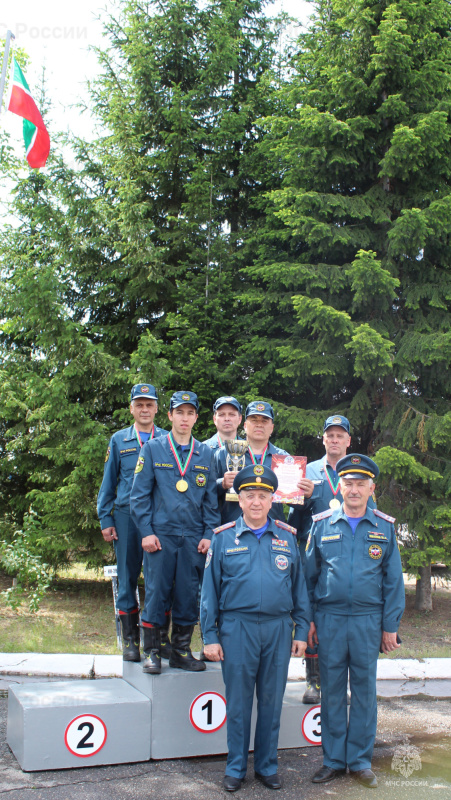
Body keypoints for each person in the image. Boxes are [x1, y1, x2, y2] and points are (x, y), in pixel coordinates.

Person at [200, 465, 311, 792]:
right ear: (241, 498)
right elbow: (209, 593)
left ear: (271, 498)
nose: (257, 501)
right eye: (250, 495)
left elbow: (299, 589)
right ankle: (235, 767)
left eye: (263, 495)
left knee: (271, 702)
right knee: (237, 704)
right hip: (237, 629)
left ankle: (266, 766)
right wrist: (210, 636)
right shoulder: (223, 538)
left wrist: (301, 631)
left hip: (277, 630)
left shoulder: (286, 537)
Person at [304, 454, 405, 789]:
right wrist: (309, 620)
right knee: (331, 691)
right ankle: (333, 760)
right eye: (349, 483)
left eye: (361, 483)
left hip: (366, 621)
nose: (355, 489)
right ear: (340, 486)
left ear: (371, 488)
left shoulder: (384, 527)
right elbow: (308, 578)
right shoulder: (322, 524)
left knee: (364, 692)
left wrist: (390, 625)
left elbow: (393, 582)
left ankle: (360, 761)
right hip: (330, 620)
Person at [130, 391, 220, 675]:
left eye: (189, 413)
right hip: (161, 535)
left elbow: (211, 501)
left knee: (187, 593)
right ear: (169, 415)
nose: (184, 418)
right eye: (178, 412)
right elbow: (139, 496)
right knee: (157, 593)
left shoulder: (206, 453)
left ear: (196, 417)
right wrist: (145, 531)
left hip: (193, 537)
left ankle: (181, 650)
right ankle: (153, 652)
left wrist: (209, 533)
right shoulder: (154, 449)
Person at [288, 414, 376, 702]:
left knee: (337, 618)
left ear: (348, 440)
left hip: (347, 556)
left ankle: (340, 683)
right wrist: (304, 498)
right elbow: (294, 515)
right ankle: (314, 681)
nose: (335, 439)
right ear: (323, 438)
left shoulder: (360, 472)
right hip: (312, 553)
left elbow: (370, 512)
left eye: (340, 435)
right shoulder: (307, 471)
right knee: (311, 611)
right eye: (330, 435)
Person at [97, 383, 168, 662]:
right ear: (131, 408)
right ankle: (130, 641)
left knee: (159, 579)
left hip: (158, 516)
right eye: (139, 404)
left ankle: (156, 637)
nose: (145, 409)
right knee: (127, 578)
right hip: (126, 516)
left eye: (149, 404)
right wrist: (106, 517)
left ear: (157, 409)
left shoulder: (166, 439)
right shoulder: (119, 440)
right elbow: (108, 481)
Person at [215, 401, 288, 524]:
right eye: (254, 420)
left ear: (272, 427)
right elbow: (206, 494)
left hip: (272, 533)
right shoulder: (225, 453)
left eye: (264, 421)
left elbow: (297, 503)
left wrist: (305, 494)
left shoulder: (284, 459)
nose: (259, 425)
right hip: (233, 532)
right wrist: (221, 484)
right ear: (244, 425)